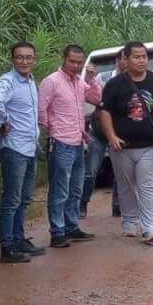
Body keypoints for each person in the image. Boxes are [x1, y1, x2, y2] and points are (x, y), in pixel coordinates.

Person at [99, 41, 153, 245]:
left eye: (144, 56)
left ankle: (150, 228)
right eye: (137, 56)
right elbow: (105, 112)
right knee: (126, 186)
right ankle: (130, 221)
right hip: (122, 147)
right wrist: (112, 137)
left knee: (147, 185)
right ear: (125, 59)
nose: (142, 60)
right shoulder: (114, 85)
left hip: (150, 145)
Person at [0, 42, 46, 263]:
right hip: (13, 148)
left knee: (24, 198)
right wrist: (3, 122)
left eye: (28, 57)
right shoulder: (8, 81)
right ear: (13, 59)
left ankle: (19, 239)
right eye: (20, 57)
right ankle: (7, 247)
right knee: (11, 199)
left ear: (34, 59)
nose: (24, 61)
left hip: (29, 148)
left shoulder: (30, 81)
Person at [38, 45, 100, 248]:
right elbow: (41, 110)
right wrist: (52, 130)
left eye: (79, 62)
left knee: (75, 189)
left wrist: (91, 80)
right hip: (61, 142)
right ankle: (57, 231)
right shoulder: (51, 81)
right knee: (59, 190)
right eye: (72, 61)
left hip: (77, 142)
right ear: (63, 58)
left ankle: (72, 226)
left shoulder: (79, 82)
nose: (75, 65)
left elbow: (96, 99)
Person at [80, 49, 125, 218]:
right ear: (118, 60)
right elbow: (89, 96)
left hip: (119, 133)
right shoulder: (102, 78)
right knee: (90, 172)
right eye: (125, 59)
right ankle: (82, 204)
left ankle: (118, 205)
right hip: (98, 132)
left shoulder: (132, 82)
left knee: (120, 172)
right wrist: (89, 79)